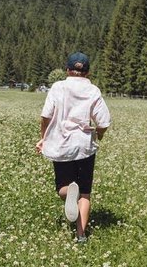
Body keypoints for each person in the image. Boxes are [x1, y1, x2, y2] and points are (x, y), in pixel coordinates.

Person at [36, 51, 110, 244]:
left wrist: (43, 138)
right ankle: (81, 235)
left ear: (67, 69)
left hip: (61, 144)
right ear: (87, 72)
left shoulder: (58, 87)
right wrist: (99, 135)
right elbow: (103, 122)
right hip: (84, 145)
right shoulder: (93, 90)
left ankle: (69, 193)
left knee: (63, 186)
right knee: (84, 192)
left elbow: (46, 116)